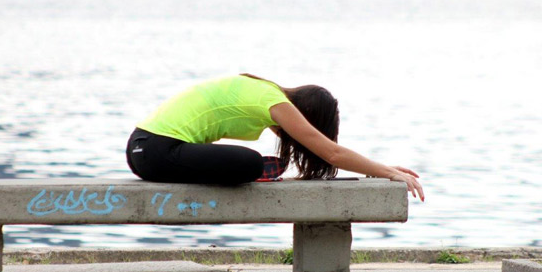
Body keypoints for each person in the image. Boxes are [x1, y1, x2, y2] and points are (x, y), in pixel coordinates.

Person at [126, 74, 424, 201]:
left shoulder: (262, 89)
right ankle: (263, 170)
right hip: (157, 151)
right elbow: (332, 154)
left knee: (247, 162)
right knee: (250, 163)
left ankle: (264, 169)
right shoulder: (277, 104)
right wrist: (387, 171)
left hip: (142, 149)